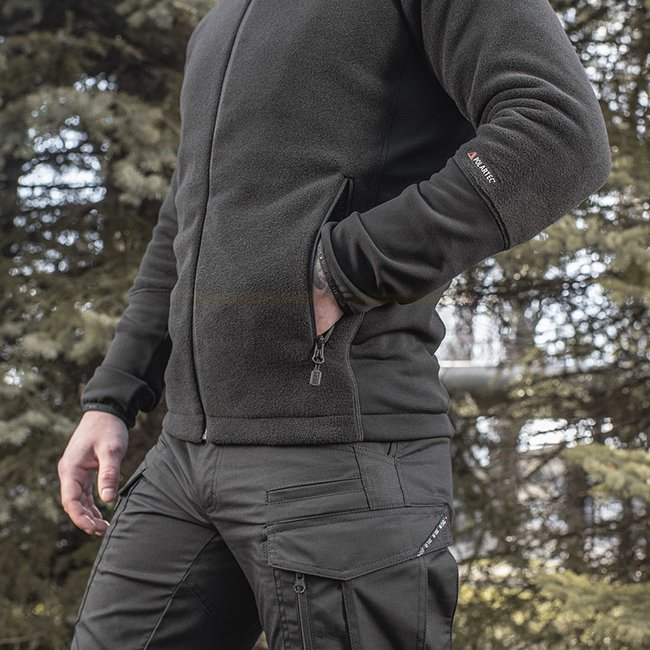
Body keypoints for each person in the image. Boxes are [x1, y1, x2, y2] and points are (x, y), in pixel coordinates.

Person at [58, 0, 611, 648]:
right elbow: (185, 222)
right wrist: (114, 395)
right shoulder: (220, 21)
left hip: (342, 457)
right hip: (184, 459)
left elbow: (558, 132)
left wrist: (342, 269)